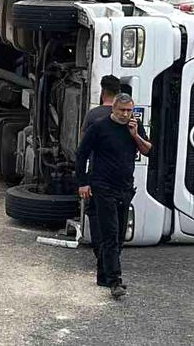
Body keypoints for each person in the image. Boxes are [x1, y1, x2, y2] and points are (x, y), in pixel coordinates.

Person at [76, 93, 151, 299]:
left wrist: (135, 135)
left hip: (125, 187)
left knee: (119, 236)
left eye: (129, 111)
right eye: (122, 110)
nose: (126, 114)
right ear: (114, 109)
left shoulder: (134, 126)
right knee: (110, 234)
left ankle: (103, 275)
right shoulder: (99, 127)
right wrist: (83, 182)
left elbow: (148, 150)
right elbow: (81, 154)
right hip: (102, 186)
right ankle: (115, 281)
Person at [80, 75, 122, 262]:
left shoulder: (93, 116)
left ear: (103, 91)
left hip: (96, 173)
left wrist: (83, 181)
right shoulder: (127, 116)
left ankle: (101, 253)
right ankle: (112, 254)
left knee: (95, 213)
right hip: (120, 176)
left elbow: (82, 148)